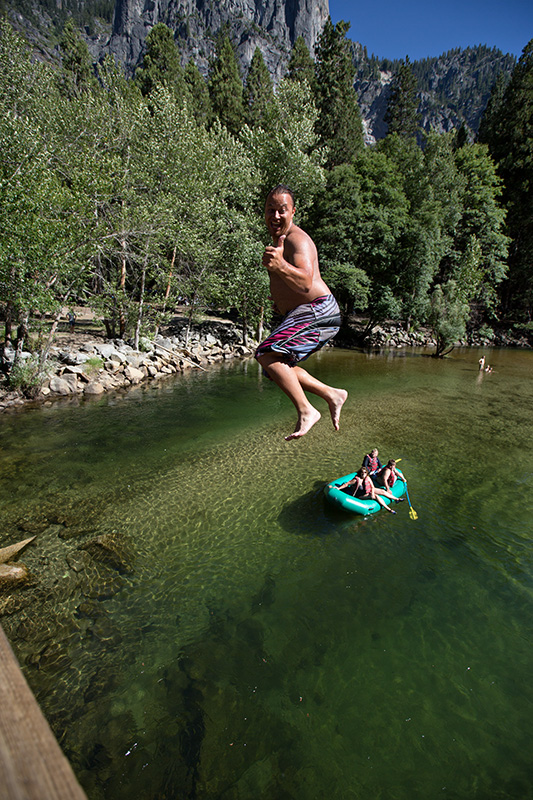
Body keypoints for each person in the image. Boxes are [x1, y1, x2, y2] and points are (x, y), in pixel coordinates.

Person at [255, 185, 347, 440]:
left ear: (293, 212)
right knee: (274, 369)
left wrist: (280, 266)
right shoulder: (278, 243)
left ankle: (307, 410)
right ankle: (332, 394)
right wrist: (280, 301)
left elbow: (306, 281)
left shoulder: (297, 239)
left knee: (266, 353)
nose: (275, 216)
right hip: (305, 311)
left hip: (319, 310)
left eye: (281, 210)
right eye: (270, 210)